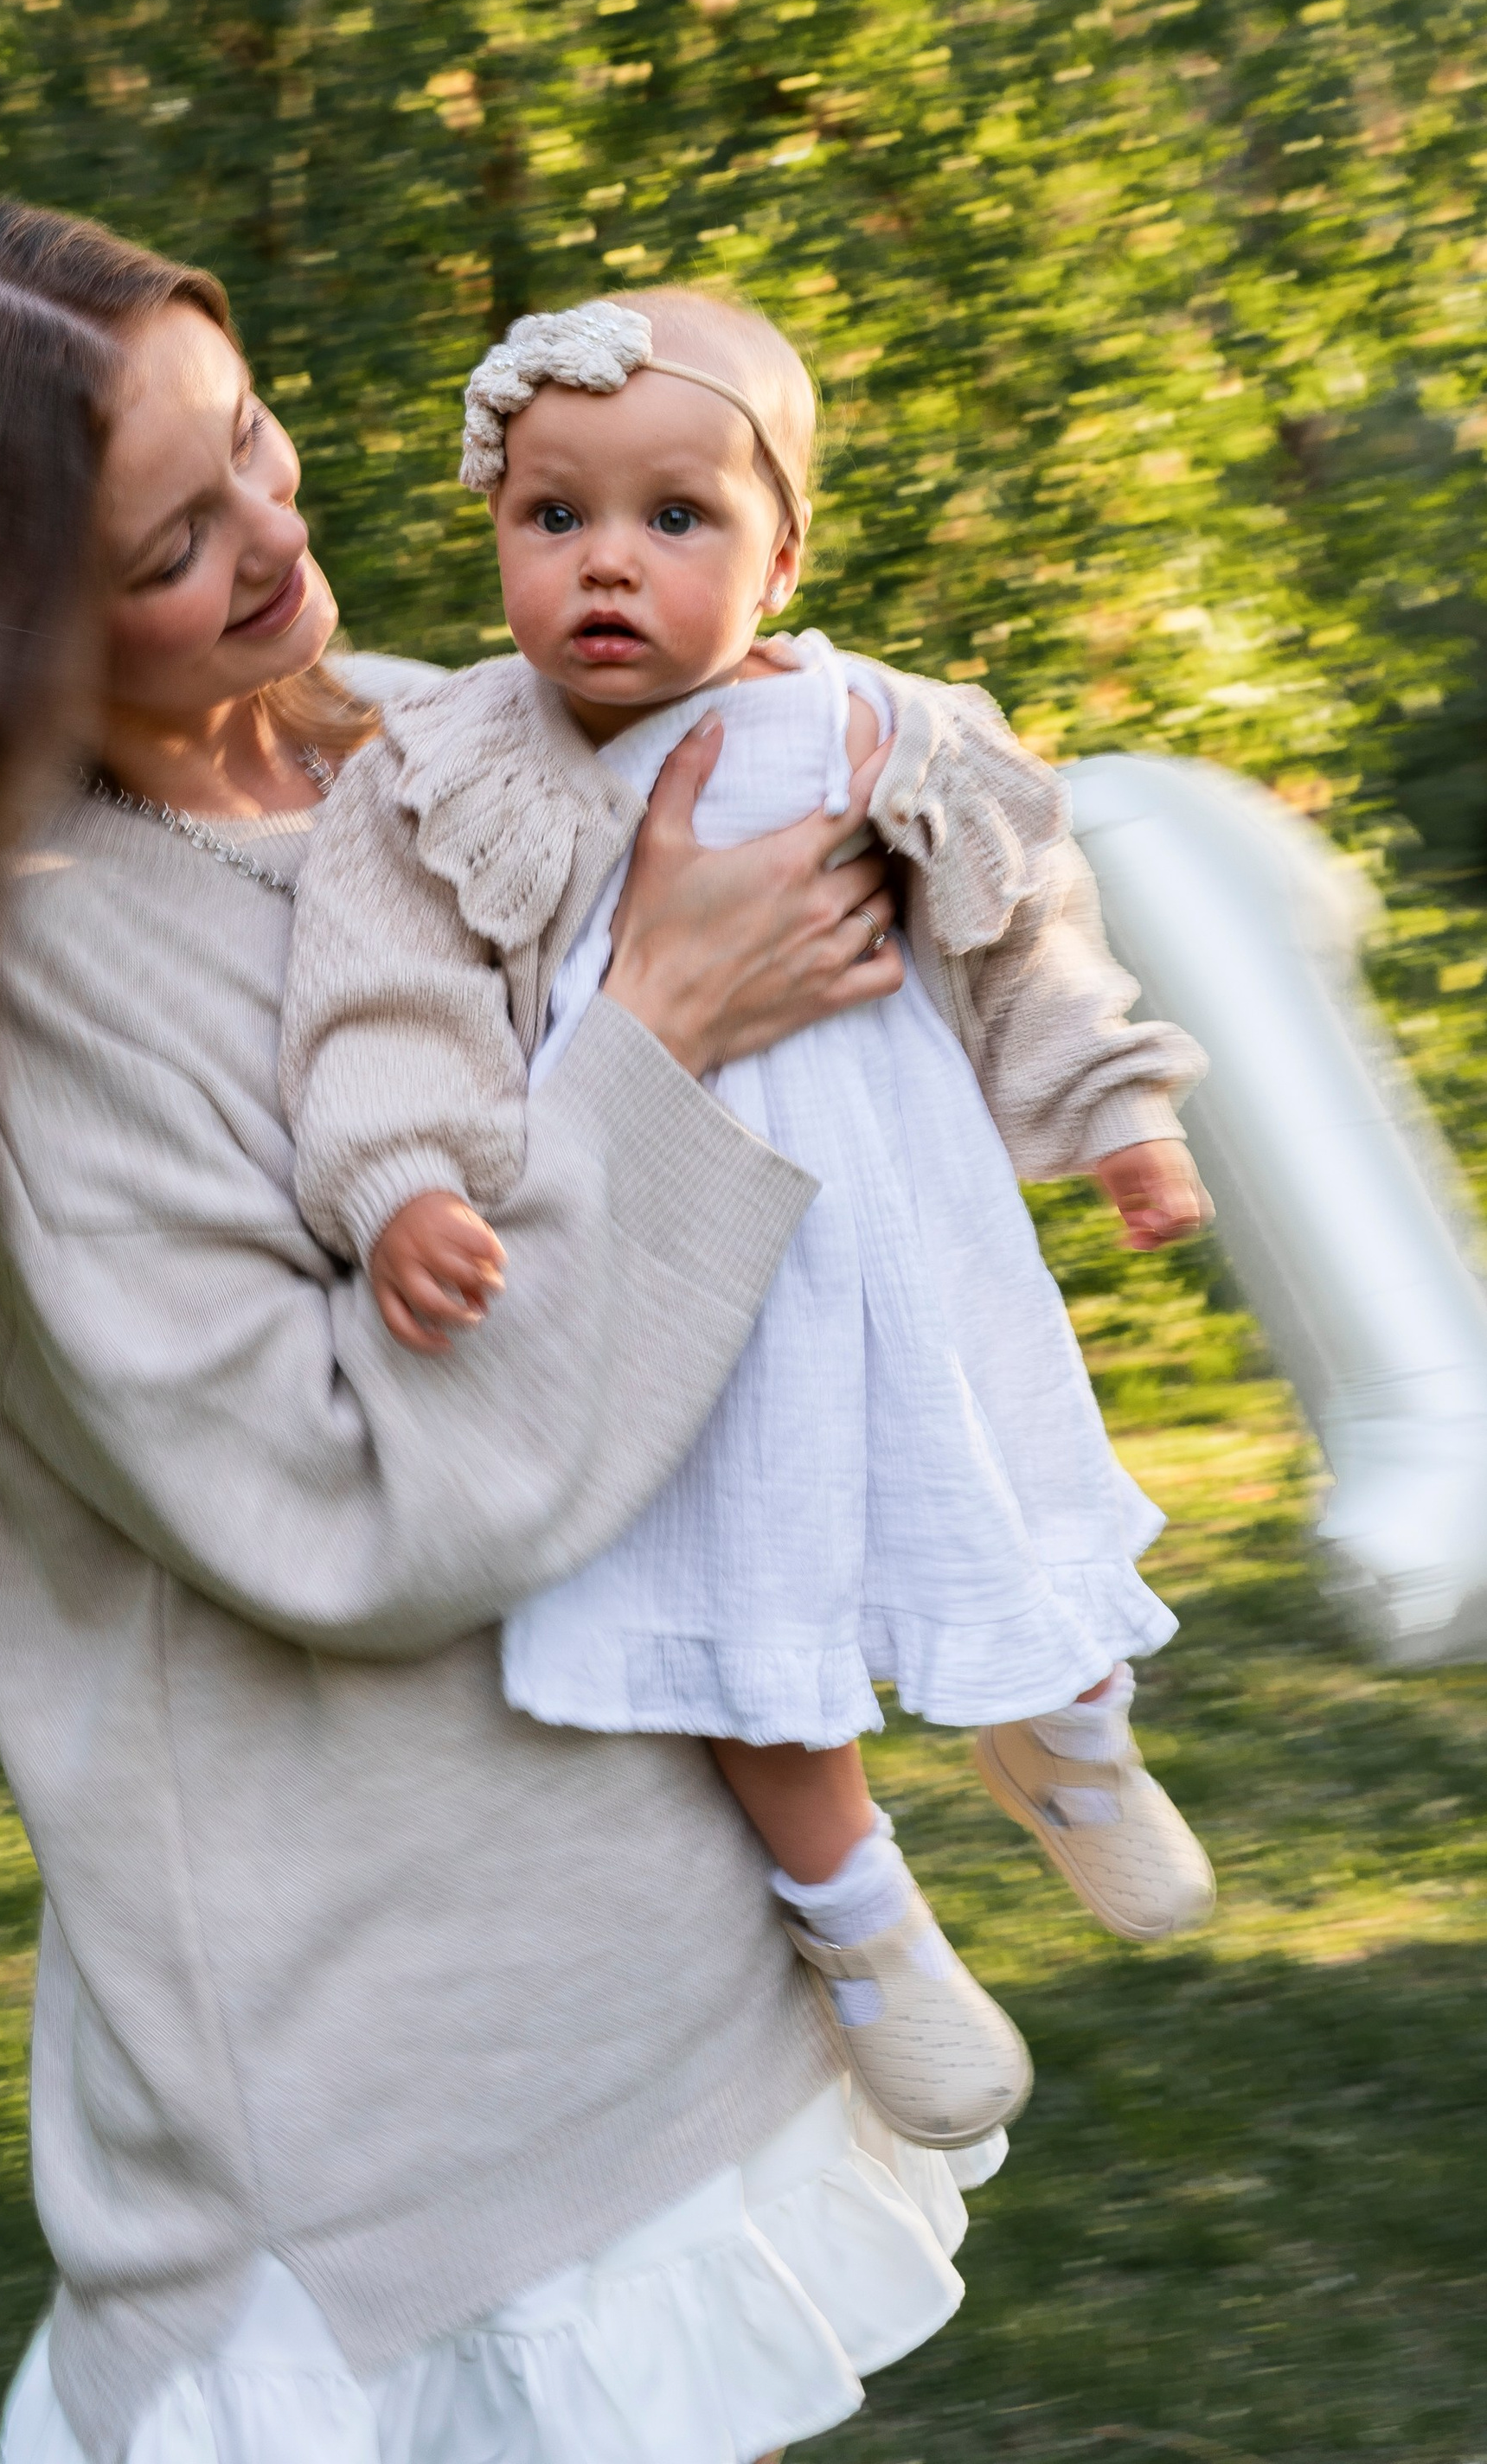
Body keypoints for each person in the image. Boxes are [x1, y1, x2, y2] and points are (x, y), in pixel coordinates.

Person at [0, 196, 995, 2464]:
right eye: (173, 542)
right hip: (371, 2117)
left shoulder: (431, 743)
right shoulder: (14, 1003)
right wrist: (660, 1025)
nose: (275, 533)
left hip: (656, 1954)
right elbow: (363, 1511)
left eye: (252, 440)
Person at [279, 290, 1219, 2162]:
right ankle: (858, 1922)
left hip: (901, 1237)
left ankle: (1066, 1729)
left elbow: (1023, 922)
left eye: (672, 518)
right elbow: (379, 1000)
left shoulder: (889, 725)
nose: (603, 565)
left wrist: (1111, 1104)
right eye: (551, 519)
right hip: (662, 1255)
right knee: (738, 1596)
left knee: (989, 1487)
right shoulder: (450, 762)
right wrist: (402, 1187)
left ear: (780, 548)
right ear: (494, 534)